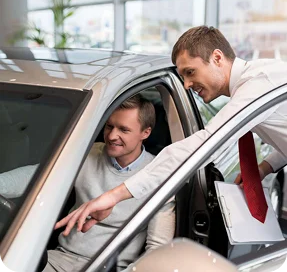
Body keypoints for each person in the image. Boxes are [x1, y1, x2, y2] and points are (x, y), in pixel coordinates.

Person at [55, 25, 287, 237]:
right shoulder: (259, 82)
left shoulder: (259, 83)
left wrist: (113, 196)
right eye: (183, 76)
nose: (186, 84)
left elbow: (204, 145)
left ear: (217, 58)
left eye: (190, 72)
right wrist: (264, 167)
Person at [0, 95, 175, 272]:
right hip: (60, 259)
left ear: (145, 133)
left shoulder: (157, 173)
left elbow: (157, 248)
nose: (112, 136)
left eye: (123, 129)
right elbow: (38, 175)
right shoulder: (89, 152)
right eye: (109, 126)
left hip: (113, 268)